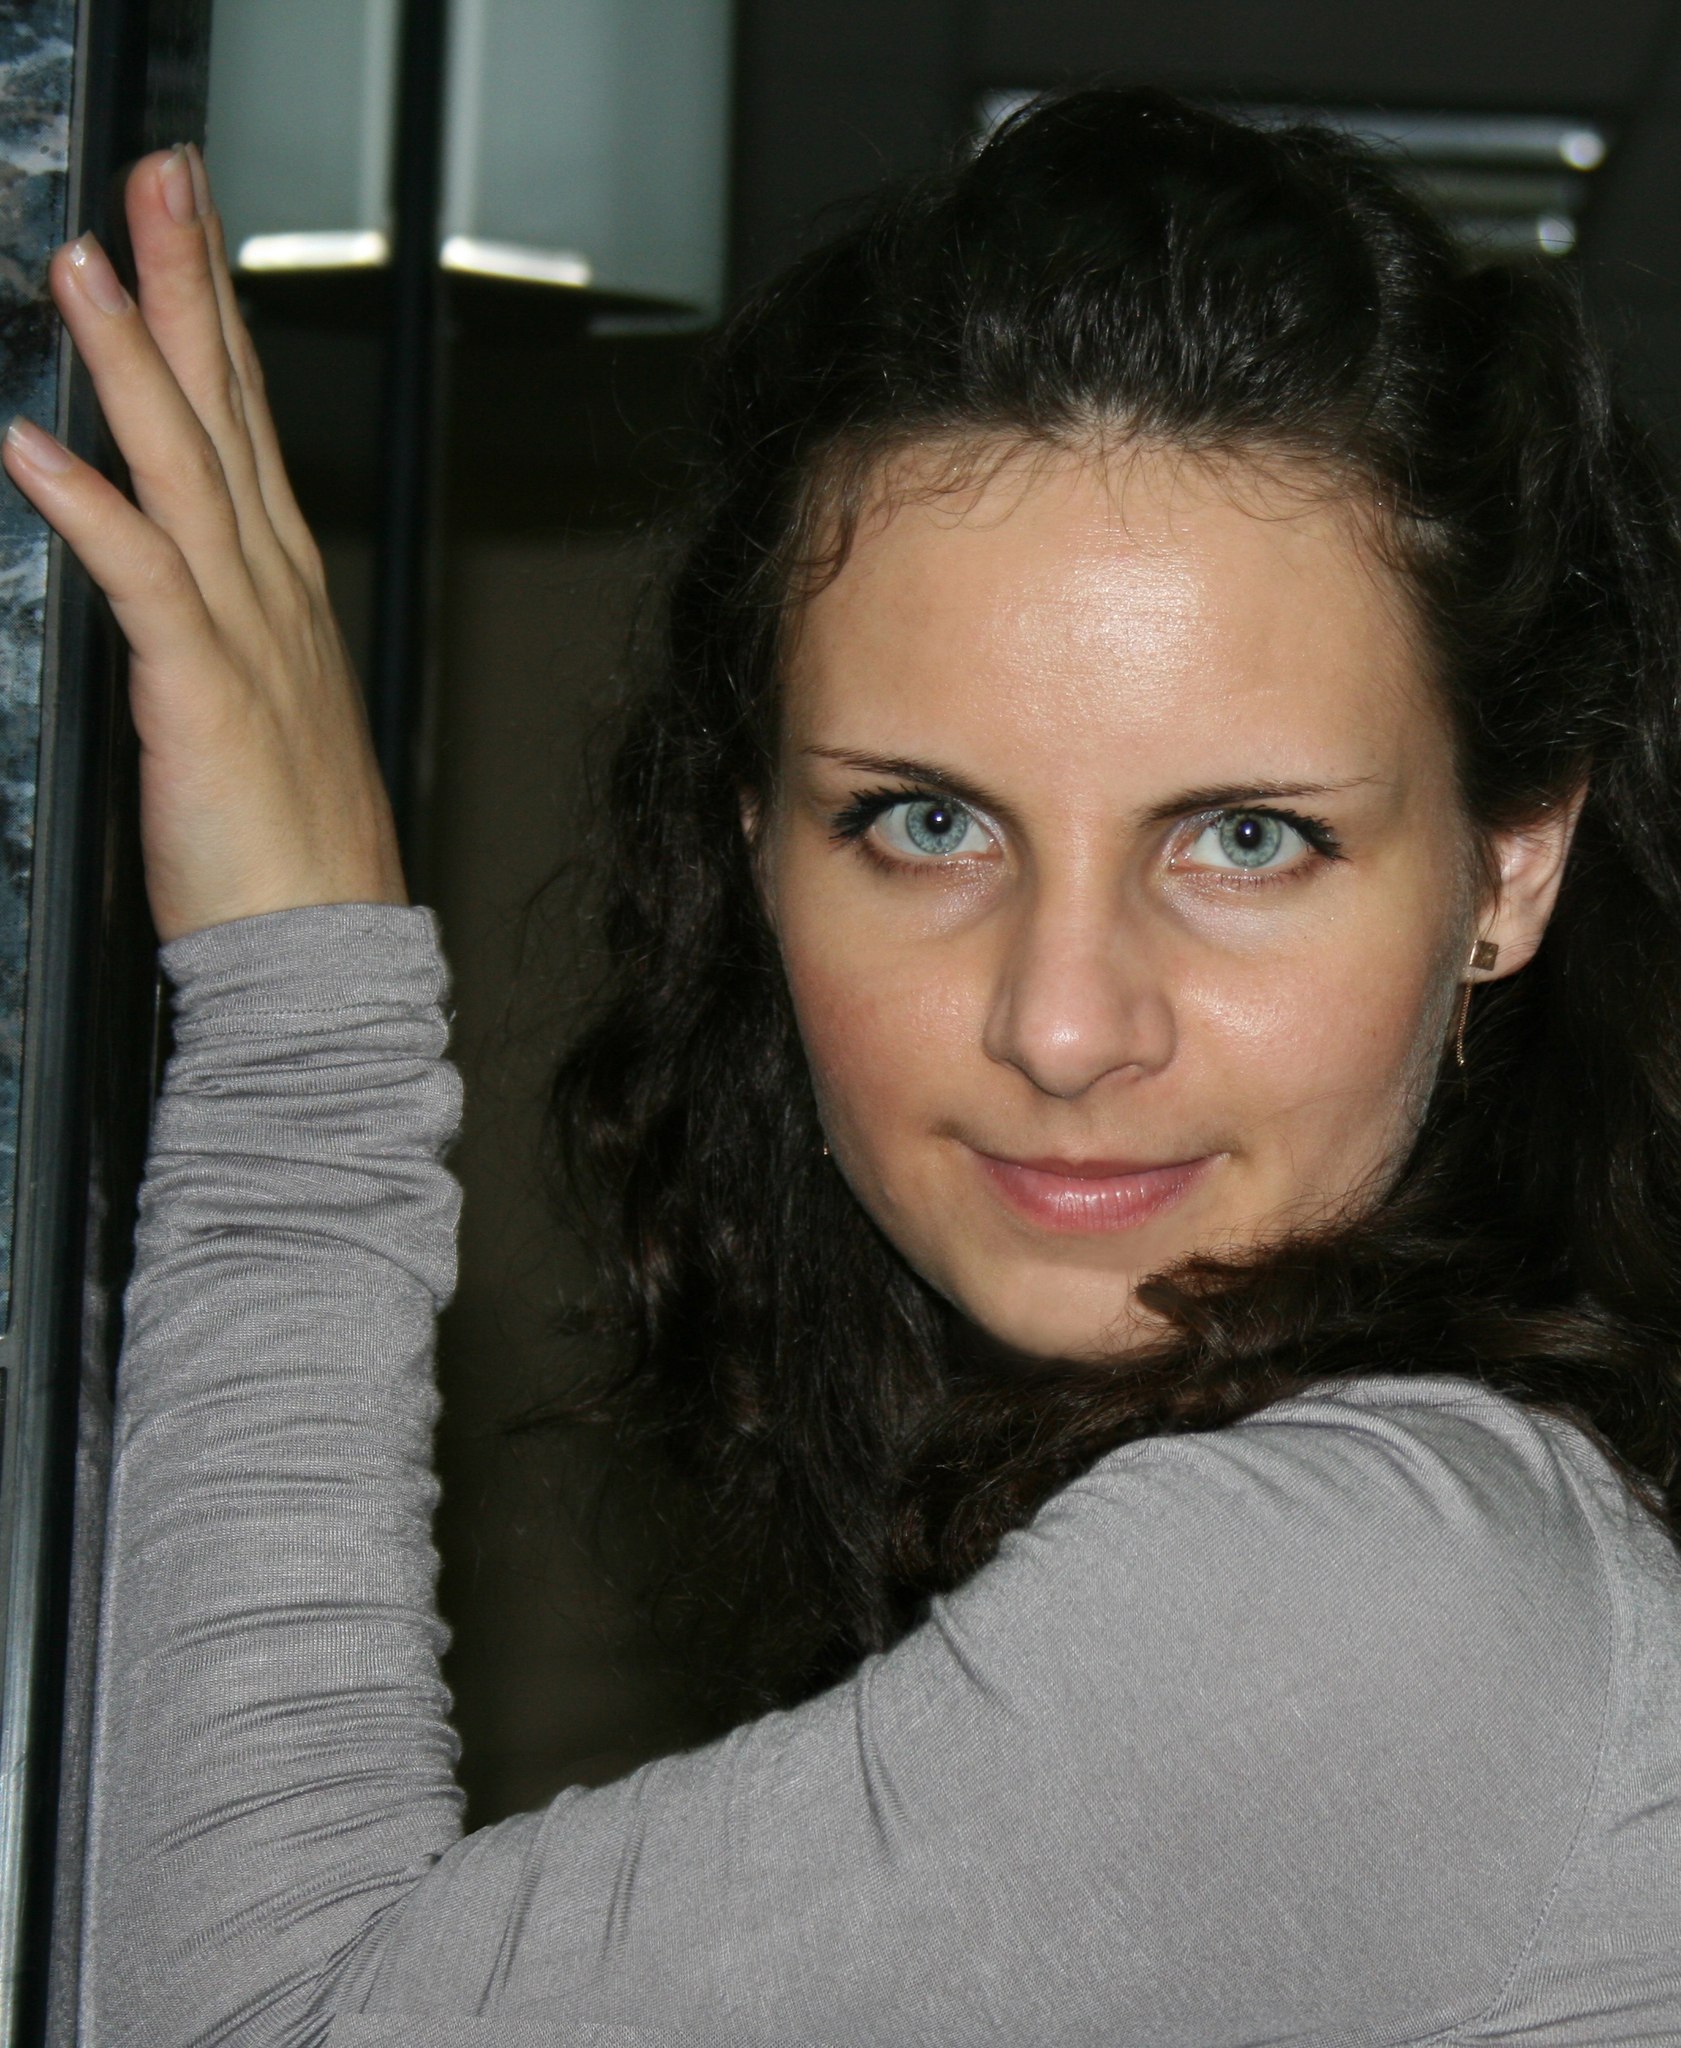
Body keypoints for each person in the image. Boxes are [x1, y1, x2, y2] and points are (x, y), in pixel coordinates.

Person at [5, 86, 1679, 2047]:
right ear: (755, 847)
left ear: (1510, 864)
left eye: (1245, 839)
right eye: (925, 823)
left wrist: (300, 996)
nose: (1062, 1023)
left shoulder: (1379, 1603)